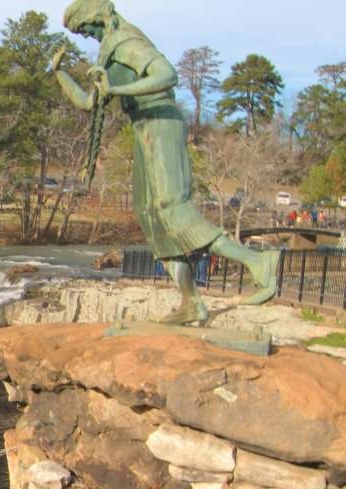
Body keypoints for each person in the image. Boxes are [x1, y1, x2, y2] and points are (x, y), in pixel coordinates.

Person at [52, 0, 278, 325]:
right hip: (144, 128)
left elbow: (166, 75)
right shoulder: (108, 50)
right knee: (151, 215)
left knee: (174, 210)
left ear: (97, 18)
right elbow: (91, 103)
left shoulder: (126, 41)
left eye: (85, 29)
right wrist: (59, 73)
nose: (86, 36)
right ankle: (190, 303)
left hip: (161, 123)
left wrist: (117, 87)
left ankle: (257, 262)